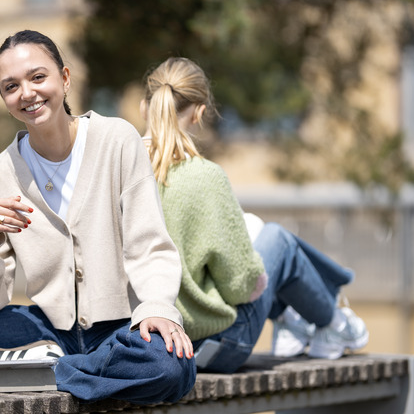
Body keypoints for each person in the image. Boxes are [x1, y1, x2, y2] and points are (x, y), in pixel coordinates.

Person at [0, 30, 196, 404]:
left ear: (65, 79)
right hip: (44, 330)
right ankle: (53, 366)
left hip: (120, 331)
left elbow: (148, 245)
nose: (27, 93)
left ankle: (41, 372)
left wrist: (157, 309)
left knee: (169, 368)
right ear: (5, 99)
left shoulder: (116, 140)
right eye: (11, 86)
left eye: (38, 77)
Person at [140, 57, 369, 371]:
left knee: (262, 236)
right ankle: (334, 323)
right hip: (213, 348)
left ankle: (299, 317)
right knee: (277, 240)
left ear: (145, 108)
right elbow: (242, 286)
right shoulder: (204, 177)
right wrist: (263, 276)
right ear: (200, 112)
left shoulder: (124, 171)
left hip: (150, 345)